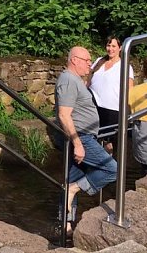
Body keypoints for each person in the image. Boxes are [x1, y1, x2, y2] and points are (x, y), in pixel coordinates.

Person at [56, 46, 118, 231]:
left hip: (85, 136)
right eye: (87, 60)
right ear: (74, 60)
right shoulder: (68, 80)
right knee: (112, 169)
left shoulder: (75, 80)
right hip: (81, 137)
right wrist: (78, 144)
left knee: (70, 180)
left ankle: (64, 225)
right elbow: (64, 115)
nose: (90, 64)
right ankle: (74, 190)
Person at [88, 36, 134, 154]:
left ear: (120, 48)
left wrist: (130, 110)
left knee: (110, 144)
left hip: (113, 109)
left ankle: (112, 168)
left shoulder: (125, 66)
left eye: (113, 46)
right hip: (95, 107)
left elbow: (130, 89)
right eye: (108, 45)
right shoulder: (99, 61)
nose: (110, 49)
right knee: (95, 139)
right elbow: (89, 79)